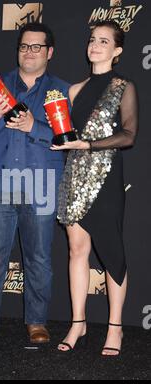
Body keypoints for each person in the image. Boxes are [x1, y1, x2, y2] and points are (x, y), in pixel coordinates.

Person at [0, 22, 70, 344]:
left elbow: (68, 138)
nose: (29, 52)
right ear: (18, 50)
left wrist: (34, 125)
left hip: (41, 185)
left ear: (49, 52)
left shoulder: (61, 90)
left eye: (37, 47)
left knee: (39, 258)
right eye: (24, 46)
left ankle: (37, 322)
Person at [50, 21, 139, 356]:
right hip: (74, 176)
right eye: (92, 40)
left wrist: (87, 145)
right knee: (76, 250)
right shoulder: (73, 91)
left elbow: (129, 135)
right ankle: (78, 323)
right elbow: (66, 136)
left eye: (104, 41)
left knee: (112, 250)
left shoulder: (123, 85)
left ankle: (115, 327)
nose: (95, 45)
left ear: (117, 51)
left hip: (106, 177)